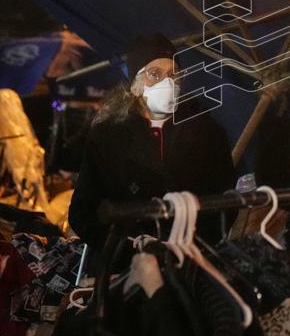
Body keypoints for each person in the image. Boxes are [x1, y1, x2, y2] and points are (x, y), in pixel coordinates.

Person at [68, 32, 235, 250]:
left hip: (191, 258)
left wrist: (191, 245)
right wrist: (128, 247)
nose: (167, 82)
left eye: (173, 74)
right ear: (135, 86)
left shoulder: (207, 132)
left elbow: (224, 201)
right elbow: (84, 212)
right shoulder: (107, 137)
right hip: (128, 264)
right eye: (154, 74)